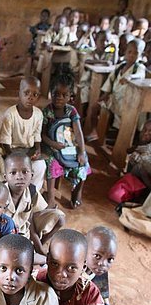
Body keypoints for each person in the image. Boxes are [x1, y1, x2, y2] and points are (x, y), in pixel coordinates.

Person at [42, 72, 90, 209]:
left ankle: (77, 190)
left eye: (64, 95)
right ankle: (51, 197)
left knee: (84, 162)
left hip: (69, 145)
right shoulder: (47, 111)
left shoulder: (72, 111)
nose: (59, 98)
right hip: (51, 146)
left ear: (70, 97)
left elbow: (79, 133)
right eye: (56, 94)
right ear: (51, 93)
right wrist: (53, 144)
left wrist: (81, 151)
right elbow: (43, 135)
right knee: (51, 163)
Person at [4, 153, 65, 260]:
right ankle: (30, 252)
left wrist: (39, 248)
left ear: (32, 175)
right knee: (21, 260)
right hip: (4, 237)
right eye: (13, 173)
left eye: (25, 172)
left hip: (23, 233)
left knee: (59, 218)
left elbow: (30, 223)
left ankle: (36, 247)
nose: (19, 176)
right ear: (5, 176)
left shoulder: (32, 191)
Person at [0, 76, 46, 190]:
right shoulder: (10, 114)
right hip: (10, 151)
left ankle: (32, 193)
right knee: (4, 168)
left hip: (28, 151)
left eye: (34, 95)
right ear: (19, 94)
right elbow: (5, 142)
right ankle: (10, 193)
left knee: (40, 166)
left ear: (38, 97)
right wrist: (16, 160)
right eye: (26, 93)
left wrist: (37, 150)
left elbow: (36, 136)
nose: (30, 97)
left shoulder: (38, 114)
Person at [94, 39, 147, 135]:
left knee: (123, 119)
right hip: (116, 98)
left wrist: (130, 77)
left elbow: (140, 75)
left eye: (136, 53)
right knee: (101, 107)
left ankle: (118, 135)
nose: (132, 55)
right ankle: (105, 132)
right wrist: (104, 95)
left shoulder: (139, 67)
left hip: (128, 100)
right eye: (129, 52)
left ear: (140, 55)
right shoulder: (120, 67)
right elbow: (110, 81)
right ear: (125, 52)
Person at [125, 118, 151, 189]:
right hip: (142, 174)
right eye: (144, 130)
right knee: (137, 166)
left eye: (150, 132)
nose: (145, 133)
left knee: (139, 167)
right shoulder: (143, 145)